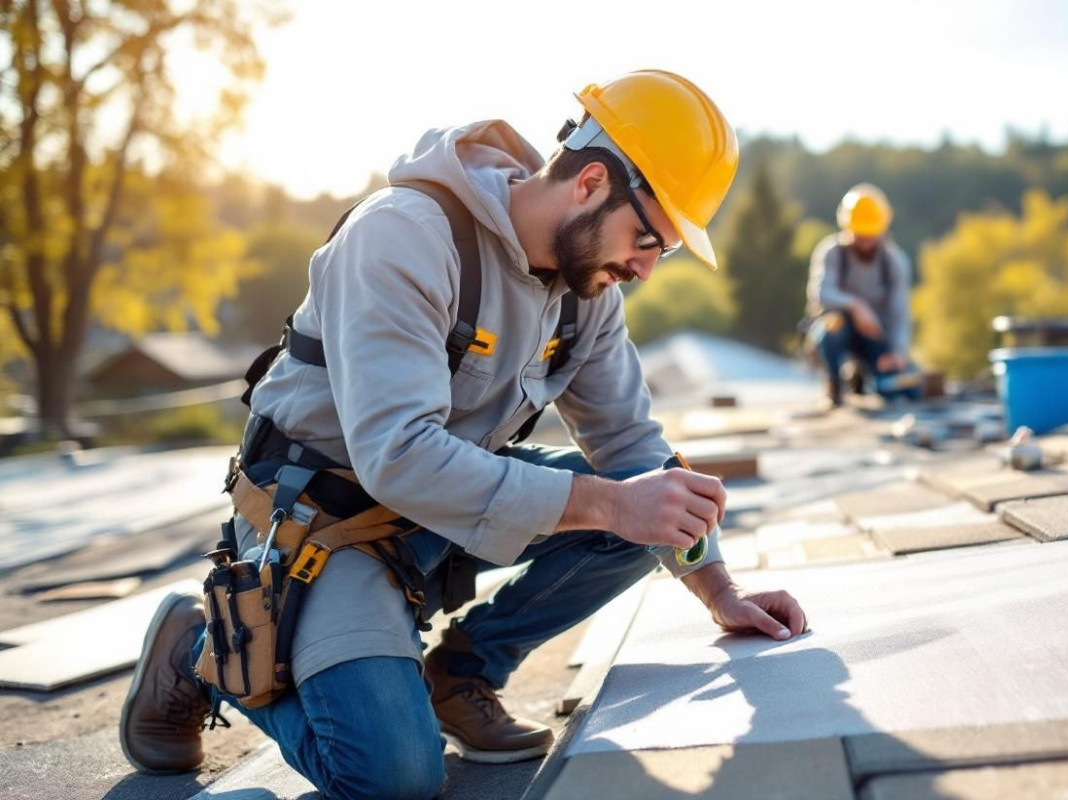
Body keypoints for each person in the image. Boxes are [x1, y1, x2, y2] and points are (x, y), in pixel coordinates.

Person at [119, 70, 808, 800]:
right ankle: (204, 649)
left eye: (660, 252)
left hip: (439, 510)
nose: (643, 268)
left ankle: (462, 672)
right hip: (322, 523)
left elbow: (631, 442)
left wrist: (719, 590)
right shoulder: (404, 236)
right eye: (646, 238)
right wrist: (609, 505)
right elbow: (400, 456)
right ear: (590, 182)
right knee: (392, 779)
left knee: (648, 505)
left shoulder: (585, 289)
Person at [805, 183, 915, 407]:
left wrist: (898, 352)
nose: (865, 239)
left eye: (870, 232)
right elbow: (820, 293)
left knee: (906, 389)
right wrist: (856, 306)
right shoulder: (832, 252)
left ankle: (863, 376)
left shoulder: (894, 261)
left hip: (874, 336)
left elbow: (899, 312)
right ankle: (834, 385)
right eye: (859, 232)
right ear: (846, 226)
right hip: (837, 333)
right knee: (833, 325)